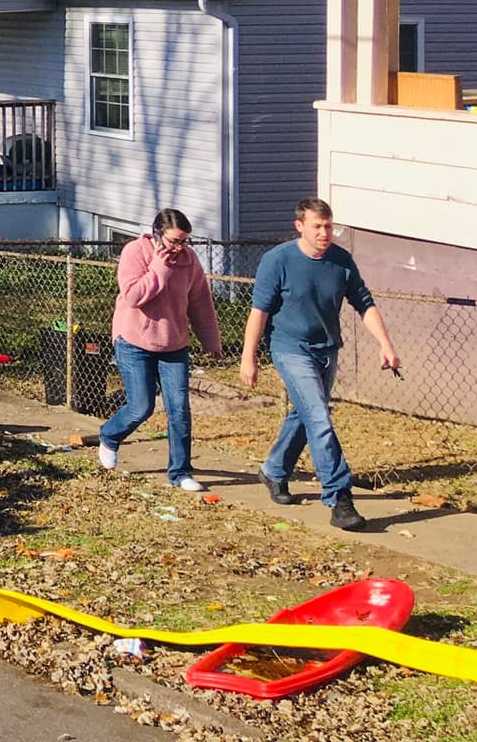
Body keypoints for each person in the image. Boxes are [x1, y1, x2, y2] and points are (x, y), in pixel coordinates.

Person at [241, 197, 400, 532]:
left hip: (326, 350)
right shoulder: (278, 260)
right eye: (317, 226)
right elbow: (260, 312)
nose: (325, 233)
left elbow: (364, 304)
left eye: (329, 226)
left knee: (304, 415)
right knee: (319, 418)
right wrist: (248, 357)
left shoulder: (341, 261)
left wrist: (385, 344)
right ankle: (339, 497)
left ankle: (273, 471)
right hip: (290, 348)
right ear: (300, 226)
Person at [97, 209, 223, 491]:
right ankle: (109, 435)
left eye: (185, 242)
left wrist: (211, 340)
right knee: (141, 406)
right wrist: (160, 268)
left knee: (179, 409)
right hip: (133, 341)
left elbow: (200, 302)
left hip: (173, 343)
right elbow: (133, 295)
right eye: (174, 241)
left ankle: (180, 473)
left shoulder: (189, 261)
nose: (179, 248)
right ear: (156, 234)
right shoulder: (135, 252)